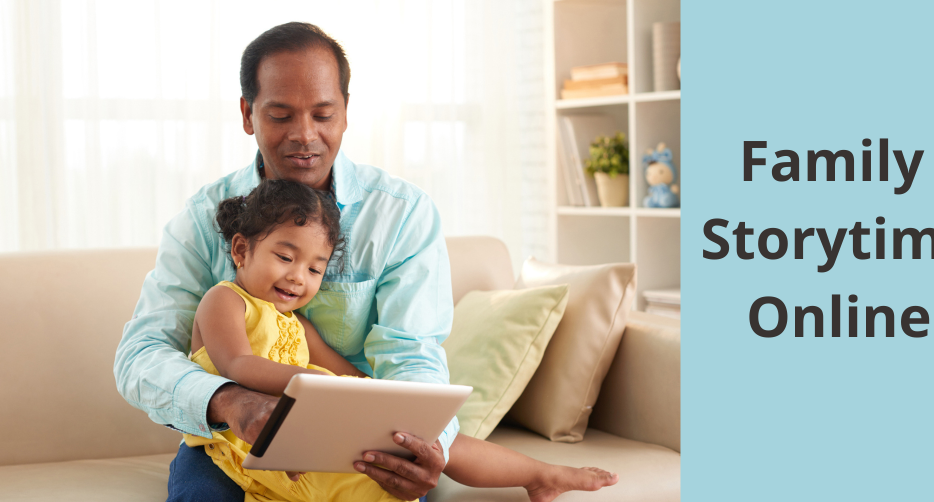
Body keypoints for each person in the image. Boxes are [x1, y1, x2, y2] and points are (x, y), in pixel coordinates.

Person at [111, 22, 607, 501]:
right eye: (281, 115)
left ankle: (539, 475)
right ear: (247, 114)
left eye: (323, 115)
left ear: (346, 111)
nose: (304, 135)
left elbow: (410, 356)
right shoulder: (202, 220)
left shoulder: (402, 215)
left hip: (359, 434)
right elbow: (140, 355)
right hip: (235, 434)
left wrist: (413, 434)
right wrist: (230, 401)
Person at [182, 178, 617, 502]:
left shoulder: (297, 322)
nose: (299, 277)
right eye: (284, 257)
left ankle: (538, 475)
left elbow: (343, 370)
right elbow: (237, 366)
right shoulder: (225, 301)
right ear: (240, 250)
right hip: (255, 436)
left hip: (317, 417)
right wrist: (312, 385)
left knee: (432, 443)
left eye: (315, 269)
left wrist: (383, 400)